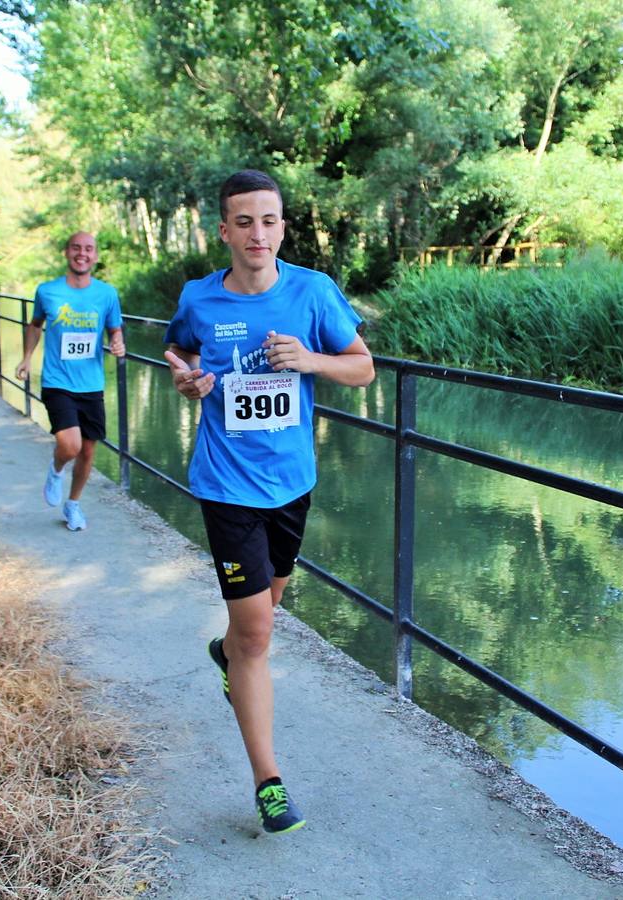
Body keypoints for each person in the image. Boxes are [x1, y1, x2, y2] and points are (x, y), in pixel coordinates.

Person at [163, 170, 374, 834]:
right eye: (244, 222)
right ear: (224, 231)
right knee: (257, 632)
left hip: (291, 485)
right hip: (225, 484)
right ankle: (269, 783)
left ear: (283, 227)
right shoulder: (200, 297)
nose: (258, 233)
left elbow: (363, 366)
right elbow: (178, 347)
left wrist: (311, 360)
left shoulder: (312, 291)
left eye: (269, 220)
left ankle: (228, 654)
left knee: (263, 613)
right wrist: (185, 379)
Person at [14, 231, 125, 532]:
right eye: (76, 248)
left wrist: (117, 342)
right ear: (66, 252)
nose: (82, 254)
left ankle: (73, 505)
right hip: (57, 381)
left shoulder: (107, 294)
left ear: (95, 256)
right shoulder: (47, 291)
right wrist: (26, 358)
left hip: (92, 384)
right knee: (71, 445)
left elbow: (114, 329)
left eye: (88, 249)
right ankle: (56, 468)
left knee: (88, 451)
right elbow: (35, 325)